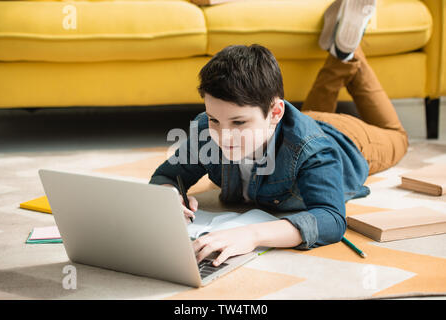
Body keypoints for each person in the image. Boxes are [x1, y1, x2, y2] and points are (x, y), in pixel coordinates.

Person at [149, 0, 408, 266]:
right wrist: (170, 197)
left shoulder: (314, 151)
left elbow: (331, 219)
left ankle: (348, 52)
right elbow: (166, 175)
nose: (223, 136)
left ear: (274, 113)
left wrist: (253, 234)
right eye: (215, 119)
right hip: (299, 121)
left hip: (350, 139)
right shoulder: (209, 129)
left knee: (397, 136)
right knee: (310, 114)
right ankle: (341, 47)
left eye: (239, 123)